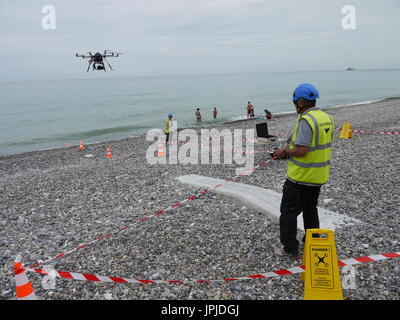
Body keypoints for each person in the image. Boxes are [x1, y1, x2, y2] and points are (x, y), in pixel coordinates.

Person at [273, 83, 334, 259]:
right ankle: (312, 243)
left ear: (300, 102)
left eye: (295, 103)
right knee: (310, 210)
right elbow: (319, 145)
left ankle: (290, 249)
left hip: (301, 177)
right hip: (318, 176)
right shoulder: (326, 117)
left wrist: (284, 152)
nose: (295, 107)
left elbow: (302, 150)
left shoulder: (307, 120)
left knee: (288, 214)